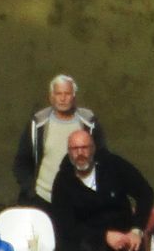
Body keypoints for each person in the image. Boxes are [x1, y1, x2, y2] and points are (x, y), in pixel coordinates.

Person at [46, 128, 154, 251]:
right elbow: (66, 225)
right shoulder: (63, 181)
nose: (80, 153)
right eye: (75, 149)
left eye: (84, 147)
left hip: (122, 231)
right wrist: (104, 235)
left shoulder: (114, 165)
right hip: (85, 235)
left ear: (93, 148)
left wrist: (136, 230)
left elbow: (145, 193)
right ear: (69, 151)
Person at [11, 73, 104, 209]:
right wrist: (31, 191)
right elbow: (21, 162)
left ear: (74, 97)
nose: (63, 98)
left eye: (67, 94)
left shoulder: (88, 122)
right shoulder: (38, 123)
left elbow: (102, 158)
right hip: (43, 198)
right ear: (51, 97)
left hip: (79, 199)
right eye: (58, 94)